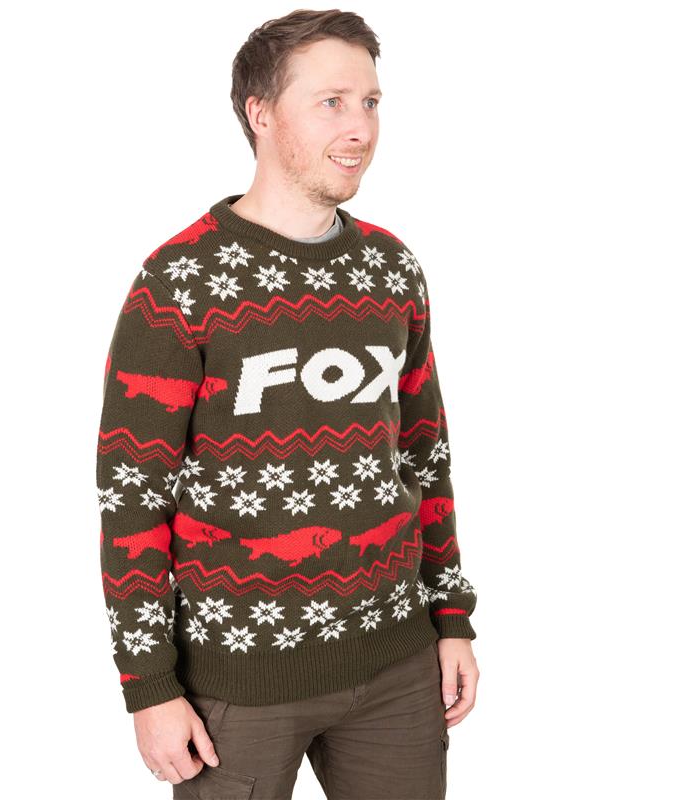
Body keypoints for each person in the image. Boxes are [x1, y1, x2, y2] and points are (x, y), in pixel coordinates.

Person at [96, 9, 479, 799]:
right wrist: (148, 685)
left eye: (370, 102)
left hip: (397, 664)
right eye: (331, 102)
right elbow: (132, 497)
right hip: (237, 682)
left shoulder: (391, 268)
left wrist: (450, 616)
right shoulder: (181, 282)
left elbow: (426, 453)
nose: (360, 127)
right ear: (261, 114)